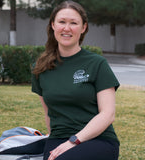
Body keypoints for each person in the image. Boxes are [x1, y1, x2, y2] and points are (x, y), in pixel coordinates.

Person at [32, 1, 120, 160]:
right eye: (62, 22)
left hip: (98, 139)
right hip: (58, 138)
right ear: (53, 25)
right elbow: (49, 115)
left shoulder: (97, 64)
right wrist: (55, 142)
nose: (67, 28)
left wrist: (74, 141)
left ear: (83, 27)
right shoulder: (41, 67)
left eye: (73, 23)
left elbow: (108, 114)